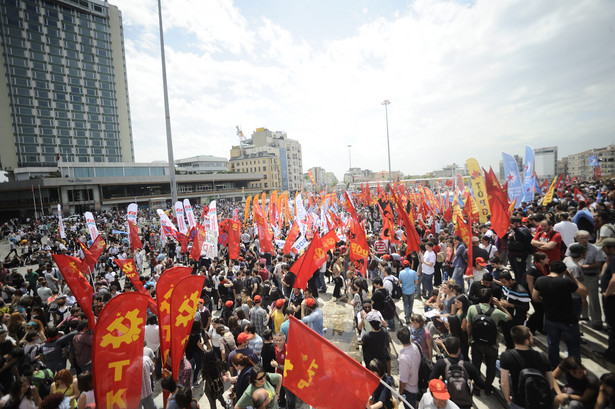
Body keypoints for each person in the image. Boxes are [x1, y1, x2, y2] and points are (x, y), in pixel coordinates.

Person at [533, 260, 587, 369]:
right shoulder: (565, 282)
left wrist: (545, 301)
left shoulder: (540, 280)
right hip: (568, 320)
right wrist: (572, 277)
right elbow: (584, 291)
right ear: (563, 272)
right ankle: (575, 368)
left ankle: (554, 367)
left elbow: (535, 297)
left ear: (550, 269)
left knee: (552, 345)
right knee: (573, 346)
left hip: (550, 318)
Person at [466, 287, 511, 395]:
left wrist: (469, 337)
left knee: (476, 365)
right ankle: (487, 387)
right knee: (491, 367)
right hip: (492, 344)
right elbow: (509, 317)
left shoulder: (472, 308)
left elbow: (468, 325)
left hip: (476, 342)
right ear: (491, 299)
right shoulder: (496, 312)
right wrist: (500, 305)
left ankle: (476, 387)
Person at [499, 325, 554, 409]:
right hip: (539, 401)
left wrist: (507, 397)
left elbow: (504, 382)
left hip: (519, 402)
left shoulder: (507, 356)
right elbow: (550, 383)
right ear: (526, 341)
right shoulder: (542, 357)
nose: (533, 338)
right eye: (531, 337)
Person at [429, 336, 484, 409]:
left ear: (447, 349)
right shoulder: (468, 366)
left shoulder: (441, 364)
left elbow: (431, 381)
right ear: (459, 350)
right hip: (465, 403)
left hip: (448, 402)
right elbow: (481, 384)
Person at [568, 230, 605, 329]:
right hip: (576, 276)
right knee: (579, 296)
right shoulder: (572, 246)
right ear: (576, 239)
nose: (584, 240)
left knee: (593, 298)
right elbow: (569, 258)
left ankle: (597, 320)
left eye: (586, 238)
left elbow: (598, 264)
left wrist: (583, 267)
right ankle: (584, 315)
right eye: (581, 238)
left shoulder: (596, 249)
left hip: (590, 275)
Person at [498, 271, 531, 349]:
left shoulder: (521, 291)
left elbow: (526, 308)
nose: (503, 284)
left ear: (510, 280)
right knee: (507, 338)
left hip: (516, 320)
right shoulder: (505, 287)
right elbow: (504, 295)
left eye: (504, 282)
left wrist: (510, 305)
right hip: (506, 317)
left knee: (516, 340)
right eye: (501, 282)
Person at [396, 326, 421, 409]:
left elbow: (403, 380)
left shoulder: (403, 358)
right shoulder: (416, 345)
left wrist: (400, 393)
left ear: (398, 339)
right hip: (418, 384)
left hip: (410, 390)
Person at [600, 238, 615, 363]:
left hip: (611, 298)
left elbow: (614, 279)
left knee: (612, 325)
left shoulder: (614, 259)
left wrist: (608, 293)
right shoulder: (611, 259)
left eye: (604, 247)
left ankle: (611, 354)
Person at [361, 311, 391, 375]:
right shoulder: (384, 332)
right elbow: (387, 346)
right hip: (382, 362)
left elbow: (365, 354)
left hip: (372, 365)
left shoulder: (366, 336)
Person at [399, 259, 419, 324]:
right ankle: (409, 315)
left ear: (403, 265)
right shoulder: (413, 272)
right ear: (409, 265)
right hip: (412, 291)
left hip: (404, 291)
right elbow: (416, 282)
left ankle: (406, 317)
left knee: (405, 304)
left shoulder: (401, 272)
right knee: (411, 304)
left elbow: (400, 281)